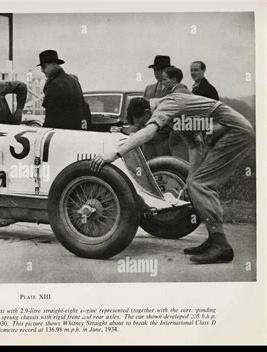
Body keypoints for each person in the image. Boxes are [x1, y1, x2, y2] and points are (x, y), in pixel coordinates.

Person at [90, 94, 254, 264]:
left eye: (143, 123)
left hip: (234, 132)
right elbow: (195, 144)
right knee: (196, 183)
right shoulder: (175, 116)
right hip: (230, 131)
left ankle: (221, 246)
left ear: (148, 112)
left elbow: (149, 132)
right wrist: (190, 178)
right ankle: (215, 239)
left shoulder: (168, 104)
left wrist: (115, 154)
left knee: (202, 185)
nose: (144, 126)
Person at [37, 49, 88, 130]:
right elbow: (84, 108)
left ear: (53, 64)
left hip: (60, 133)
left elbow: (50, 117)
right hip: (76, 131)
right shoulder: (74, 81)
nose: (42, 70)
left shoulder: (55, 85)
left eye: (44, 66)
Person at [142, 55, 172, 160]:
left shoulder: (175, 89)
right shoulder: (148, 89)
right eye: (155, 69)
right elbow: (143, 114)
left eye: (159, 69)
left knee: (165, 170)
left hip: (166, 141)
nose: (156, 72)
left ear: (168, 70)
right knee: (148, 170)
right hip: (148, 140)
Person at [160, 66, 191, 161]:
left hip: (181, 139)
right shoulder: (186, 92)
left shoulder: (177, 95)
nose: (162, 82)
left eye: (164, 79)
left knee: (180, 167)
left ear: (173, 79)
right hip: (188, 138)